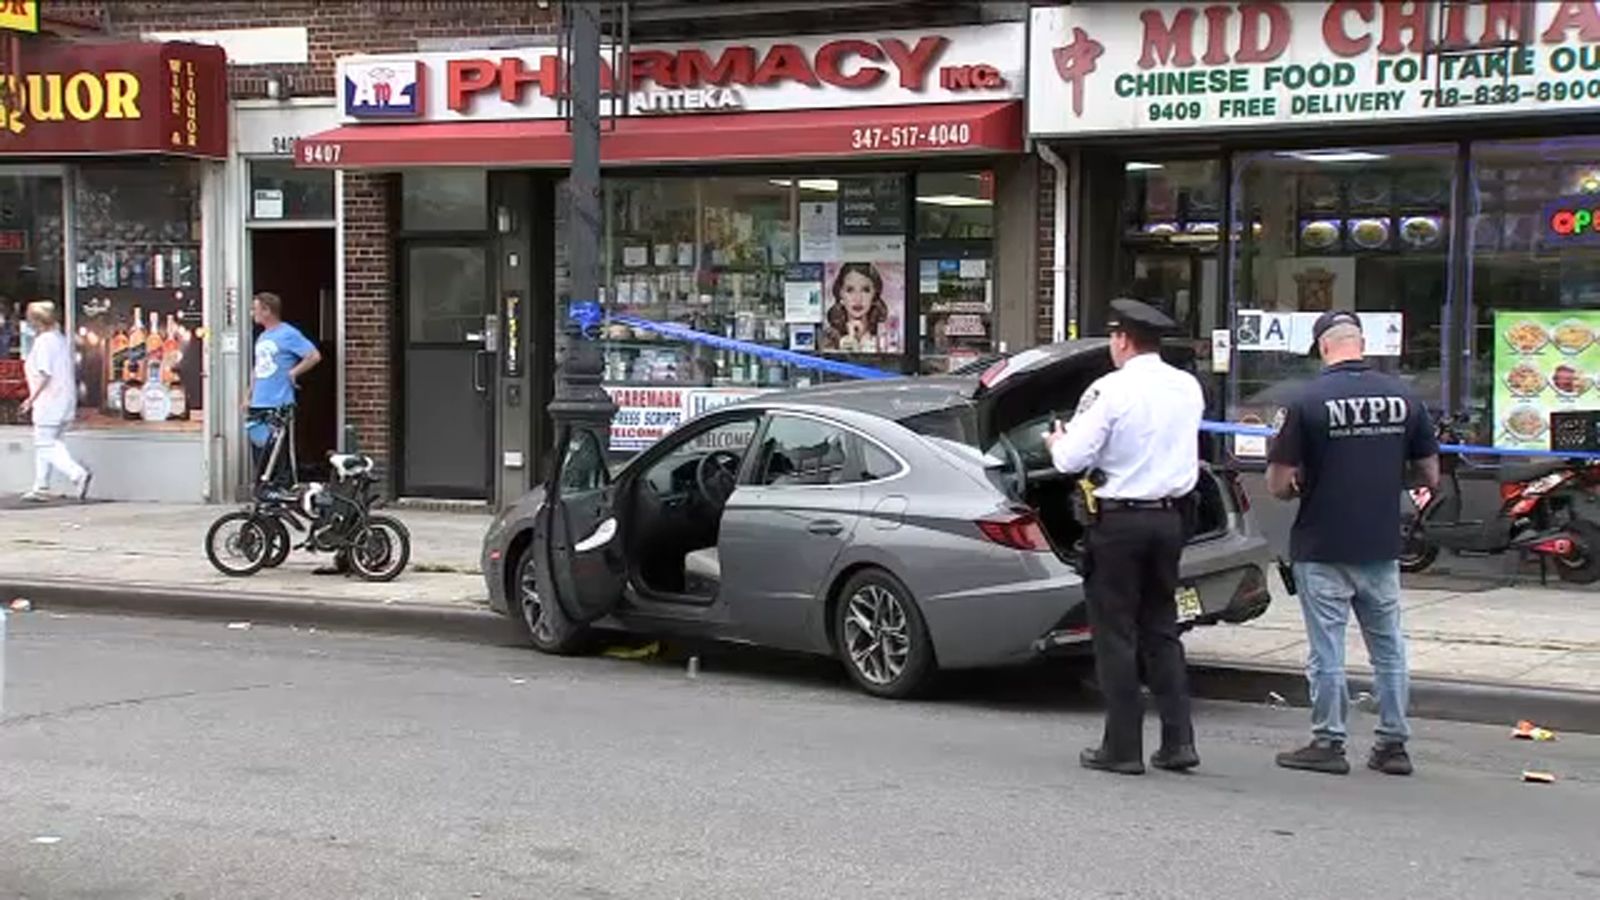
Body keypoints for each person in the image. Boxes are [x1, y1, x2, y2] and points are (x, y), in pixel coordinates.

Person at [1266, 310, 1440, 777]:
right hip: (1381, 542)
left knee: (1327, 649)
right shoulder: (1405, 398)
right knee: (1388, 648)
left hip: (1322, 542)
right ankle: (1393, 744)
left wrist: (1301, 483)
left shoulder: (1306, 401)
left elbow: (1278, 484)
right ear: (1361, 343)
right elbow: (1430, 474)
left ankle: (1328, 741)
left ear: (1324, 347)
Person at [1045, 298, 1203, 775]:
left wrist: (1056, 441)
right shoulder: (1188, 386)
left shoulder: (1109, 390)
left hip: (1119, 524)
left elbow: (1071, 460)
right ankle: (1179, 742)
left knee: (1114, 633)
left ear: (1121, 339)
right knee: (1161, 627)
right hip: (1170, 520)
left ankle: (1123, 746)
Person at [247, 291, 321, 493]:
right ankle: (264, 489)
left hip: (278, 401)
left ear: (267, 310)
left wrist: (293, 373)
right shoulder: (262, 336)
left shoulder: (287, 333)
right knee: (260, 448)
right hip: (258, 403)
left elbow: (313, 355)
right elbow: (258, 368)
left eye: (255, 308)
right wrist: (248, 395)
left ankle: (284, 487)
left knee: (278, 450)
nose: (252, 312)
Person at [20, 302, 91, 502]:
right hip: (64, 399)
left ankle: (76, 473)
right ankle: (41, 485)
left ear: (36, 321)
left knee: (45, 444)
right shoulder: (60, 340)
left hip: (49, 400)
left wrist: (30, 399)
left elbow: (44, 374)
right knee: (51, 442)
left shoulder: (44, 342)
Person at [824, 263, 888, 354]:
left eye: (866, 290)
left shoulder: (885, 336)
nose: (858, 299)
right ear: (840, 294)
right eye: (850, 290)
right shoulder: (828, 337)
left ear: (875, 294)